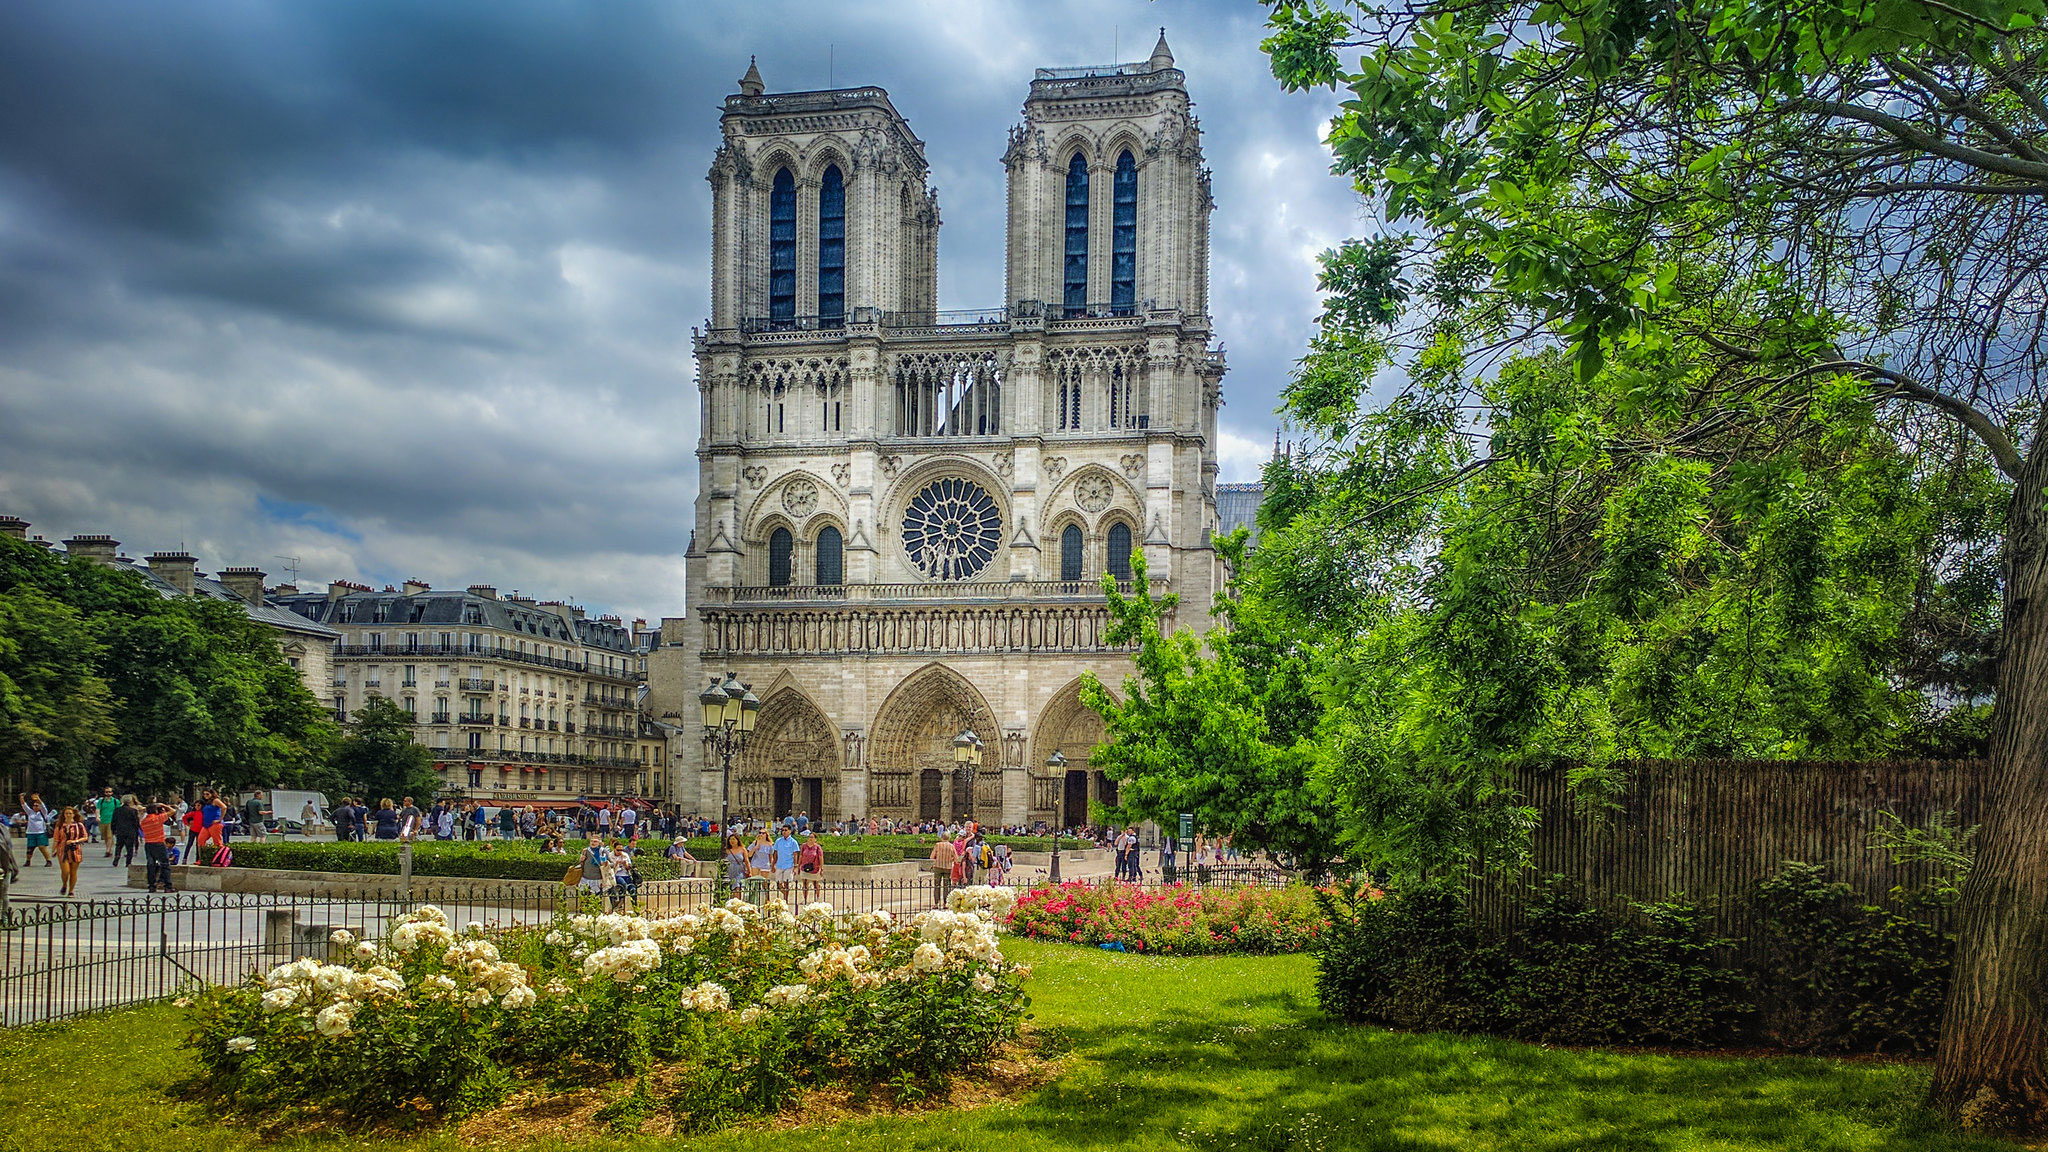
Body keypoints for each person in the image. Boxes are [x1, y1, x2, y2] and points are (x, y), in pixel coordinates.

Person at [140, 801, 176, 893]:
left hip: (148, 844)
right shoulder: (157, 818)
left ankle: (151, 886)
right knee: (164, 864)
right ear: (155, 810)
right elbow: (172, 811)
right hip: (159, 843)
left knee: (151, 865)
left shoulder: (144, 821)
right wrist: (164, 805)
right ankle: (168, 886)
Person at [52, 805, 87, 896]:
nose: (68, 815)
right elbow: (56, 839)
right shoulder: (59, 826)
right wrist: (53, 850)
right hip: (62, 850)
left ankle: (71, 890)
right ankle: (64, 884)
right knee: (65, 871)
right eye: (66, 813)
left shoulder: (79, 825)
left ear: (73, 814)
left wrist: (75, 841)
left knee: (73, 872)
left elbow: (85, 837)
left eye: (70, 813)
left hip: (75, 849)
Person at [193, 790, 226, 864]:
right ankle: (202, 859)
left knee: (217, 842)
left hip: (214, 824)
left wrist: (220, 819)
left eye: (207, 794)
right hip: (206, 825)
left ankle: (219, 859)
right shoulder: (207, 802)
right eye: (204, 794)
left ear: (212, 794)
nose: (205, 795)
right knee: (200, 840)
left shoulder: (215, 800)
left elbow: (224, 807)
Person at [770, 824, 800, 902]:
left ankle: (785, 899)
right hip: (779, 864)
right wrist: (773, 865)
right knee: (778, 884)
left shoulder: (793, 842)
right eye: (782, 830)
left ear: (790, 831)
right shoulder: (778, 841)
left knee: (786, 883)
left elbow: (795, 854)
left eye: (786, 830)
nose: (784, 832)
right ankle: (784, 894)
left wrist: (795, 866)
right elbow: (775, 853)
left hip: (789, 865)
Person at [111, 795, 142, 870]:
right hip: (130, 831)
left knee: (119, 845)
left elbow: (113, 821)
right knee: (130, 847)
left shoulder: (117, 810)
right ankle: (128, 862)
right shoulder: (133, 811)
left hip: (120, 830)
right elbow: (136, 822)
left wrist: (113, 830)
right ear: (130, 801)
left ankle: (117, 855)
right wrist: (138, 830)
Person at [796, 832, 825, 903]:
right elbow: (801, 856)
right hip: (804, 867)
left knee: (815, 883)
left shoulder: (817, 847)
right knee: (805, 883)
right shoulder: (804, 846)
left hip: (814, 867)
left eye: (812, 837)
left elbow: (821, 857)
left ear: (815, 839)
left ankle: (817, 898)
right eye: (809, 837)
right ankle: (805, 899)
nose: (810, 839)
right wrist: (798, 865)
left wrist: (821, 867)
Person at [721, 833, 747, 898]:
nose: (732, 841)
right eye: (730, 839)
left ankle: (737, 900)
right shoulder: (727, 850)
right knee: (731, 886)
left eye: (733, 839)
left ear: (737, 840)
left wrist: (749, 870)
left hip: (739, 869)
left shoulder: (742, 849)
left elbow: (746, 860)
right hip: (730, 869)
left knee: (738, 885)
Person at [94, 788, 118, 857]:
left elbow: (118, 810)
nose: (108, 793)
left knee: (110, 836)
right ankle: (108, 849)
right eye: (107, 792)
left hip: (112, 821)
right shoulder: (101, 801)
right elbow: (98, 809)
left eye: (110, 792)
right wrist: (97, 816)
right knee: (105, 836)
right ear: (104, 793)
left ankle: (108, 850)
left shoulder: (115, 801)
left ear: (112, 793)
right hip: (102, 821)